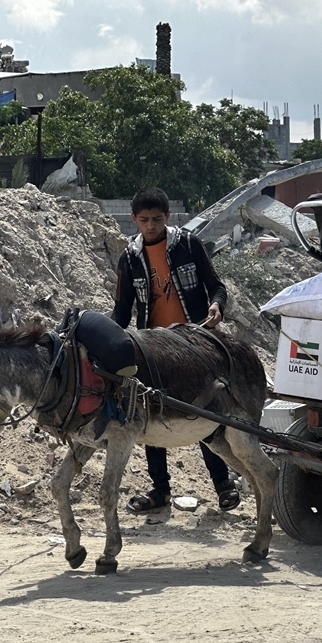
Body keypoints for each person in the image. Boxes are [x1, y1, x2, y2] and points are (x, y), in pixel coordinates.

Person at [112, 187, 240, 512]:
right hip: (152, 349)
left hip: (193, 344)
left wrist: (216, 306)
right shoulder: (129, 258)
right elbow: (122, 310)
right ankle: (160, 491)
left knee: (205, 413)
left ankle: (223, 484)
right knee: (150, 416)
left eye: (157, 219)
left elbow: (217, 285)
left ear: (167, 217)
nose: (151, 226)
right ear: (134, 220)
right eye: (144, 220)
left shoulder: (188, 245)